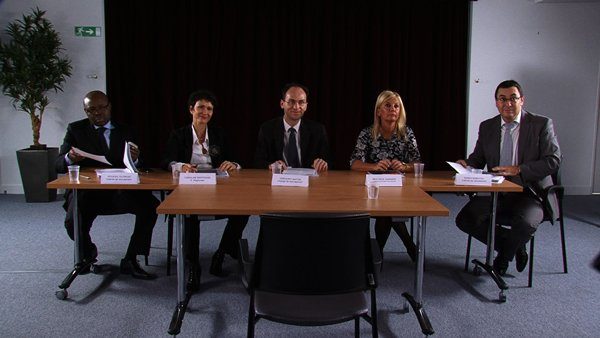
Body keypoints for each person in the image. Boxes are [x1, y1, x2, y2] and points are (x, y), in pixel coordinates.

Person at [455, 80, 561, 276]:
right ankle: (515, 245)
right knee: (465, 219)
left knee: (526, 224)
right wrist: (467, 166)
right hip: (497, 192)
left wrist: (519, 169)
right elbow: (478, 159)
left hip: (531, 193)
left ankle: (501, 261)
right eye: (502, 99)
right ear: (496, 102)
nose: (508, 104)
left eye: (513, 98)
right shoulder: (488, 127)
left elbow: (553, 161)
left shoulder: (541, 124)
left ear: (522, 100)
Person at [56, 90, 159, 280]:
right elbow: (58, 164)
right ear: (85, 111)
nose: (98, 113)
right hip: (88, 192)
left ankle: (131, 258)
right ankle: (88, 253)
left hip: (121, 191)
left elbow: (145, 164)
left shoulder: (127, 130)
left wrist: (136, 160)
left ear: (109, 107)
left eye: (102, 108)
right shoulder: (75, 130)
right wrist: (70, 157)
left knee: (150, 207)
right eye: (91, 110)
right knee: (72, 222)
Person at [161, 90, 249, 291]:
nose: (205, 112)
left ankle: (223, 252)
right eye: (201, 107)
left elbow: (238, 160)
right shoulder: (179, 134)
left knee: (243, 211)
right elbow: (166, 161)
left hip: (218, 190)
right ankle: (193, 266)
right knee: (189, 214)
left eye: (209, 109)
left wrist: (233, 164)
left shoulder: (220, 134)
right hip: (189, 190)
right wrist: (180, 165)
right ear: (191, 109)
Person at [350, 90, 420, 261]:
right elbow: (354, 163)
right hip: (374, 190)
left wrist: (404, 166)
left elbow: (417, 164)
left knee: (386, 212)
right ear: (379, 111)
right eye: (387, 106)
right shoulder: (367, 133)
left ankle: (376, 256)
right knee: (386, 212)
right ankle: (409, 246)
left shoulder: (406, 133)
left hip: (400, 190)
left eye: (396, 106)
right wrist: (373, 166)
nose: (393, 110)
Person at [254, 83, 330, 172]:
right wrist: (270, 166)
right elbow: (258, 161)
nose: (296, 107)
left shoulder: (318, 130)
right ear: (282, 104)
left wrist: (323, 163)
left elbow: (329, 160)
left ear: (306, 106)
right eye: (291, 102)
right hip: (278, 180)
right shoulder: (267, 128)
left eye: (301, 102)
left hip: (309, 181)